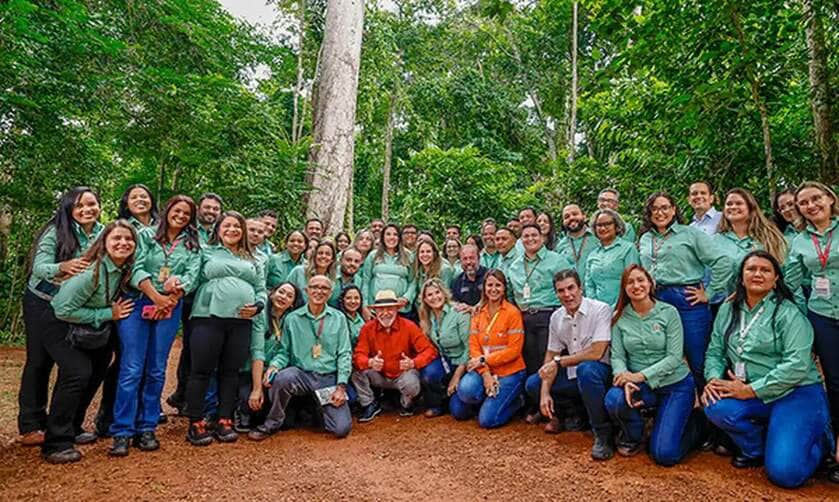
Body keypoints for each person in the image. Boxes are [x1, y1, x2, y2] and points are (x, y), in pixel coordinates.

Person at [702, 251, 832, 487]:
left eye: (765, 270)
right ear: (741, 277)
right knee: (715, 405)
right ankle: (756, 448)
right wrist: (712, 379)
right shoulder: (728, 308)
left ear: (775, 279)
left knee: (785, 474)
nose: (757, 274)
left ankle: (821, 442)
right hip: (752, 392)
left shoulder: (788, 313)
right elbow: (715, 351)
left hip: (795, 392)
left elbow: (797, 365)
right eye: (751, 269)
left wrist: (751, 390)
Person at [107, 196, 202, 457]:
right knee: (132, 368)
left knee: (156, 369)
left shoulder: (193, 244)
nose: (180, 216)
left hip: (171, 306)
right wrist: (157, 297)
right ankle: (122, 431)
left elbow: (193, 275)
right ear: (167, 210)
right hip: (138, 302)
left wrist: (174, 294)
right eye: (177, 211)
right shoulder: (147, 235)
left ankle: (147, 427)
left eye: (186, 213)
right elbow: (135, 268)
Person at [18, 187, 104, 448]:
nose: (86, 210)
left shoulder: (103, 233)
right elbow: (39, 267)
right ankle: (31, 424)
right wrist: (62, 267)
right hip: (42, 301)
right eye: (79, 206)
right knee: (39, 360)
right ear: (69, 209)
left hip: (74, 305)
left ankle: (67, 423)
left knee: (78, 365)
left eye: (91, 204)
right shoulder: (55, 231)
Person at [46, 220, 137, 463]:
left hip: (90, 328)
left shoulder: (122, 270)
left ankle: (74, 427)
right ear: (104, 242)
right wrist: (108, 313)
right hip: (59, 324)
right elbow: (62, 309)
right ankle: (56, 442)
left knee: (98, 368)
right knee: (77, 373)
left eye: (128, 239)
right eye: (116, 238)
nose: (123, 243)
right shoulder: (91, 273)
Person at [604, 265, 704, 466]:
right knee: (614, 399)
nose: (636, 286)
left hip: (675, 385)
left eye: (641, 280)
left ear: (650, 284)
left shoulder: (669, 312)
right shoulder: (619, 318)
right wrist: (624, 377)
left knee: (664, 454)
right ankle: (636, 434)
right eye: (630, 282)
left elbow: (674, 357)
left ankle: (699, 426)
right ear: (624, 289)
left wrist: (638, 376)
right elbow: (618, 357)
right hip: (641, 386)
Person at [185, 211, 266, 446]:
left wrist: (259, 305)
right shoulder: (206, 251)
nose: (232, 230)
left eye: (237, 226)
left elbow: (261, 289)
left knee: (230, 371)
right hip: (208, 316)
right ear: (218, 230)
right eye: (227, 226)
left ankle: (224, 419)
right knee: (201, 370)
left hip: (241, 320)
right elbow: (191, 278)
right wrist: (174, 287)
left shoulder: (253, 259)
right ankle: (196, 421)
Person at [638, 192, 733, 390]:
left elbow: (723, 262)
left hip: (687, 300)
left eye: (665, 207)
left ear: (674, 210)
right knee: (664, 357)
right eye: (655, 209)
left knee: (698, 359)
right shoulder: (646, 238)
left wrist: (709, 293)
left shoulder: (689, 233)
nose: (660, 212)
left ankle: (711, 400)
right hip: (656, 302)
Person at [248, 275, 353, 440]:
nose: (319, 291)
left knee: (341, 429)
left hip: (328, 378)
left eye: (324, 288)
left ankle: (317, 408)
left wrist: (341, 386)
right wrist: (274, 366)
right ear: (307, 291)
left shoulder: (339, 318)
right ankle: (272, 422)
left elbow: (345, 353)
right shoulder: (292, 319)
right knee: (282, 378)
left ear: (330, 293)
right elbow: (284, 352)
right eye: (314, 287)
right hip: (301, 375)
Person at [525, 270, 614, 460]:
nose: (567, 294)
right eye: (561, 291)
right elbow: (551, 354)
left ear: (580, 288)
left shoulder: (600, 309)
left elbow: (597, 352)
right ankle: (572, 414)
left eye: (571, 288)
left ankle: (603, 433)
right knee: (534, 383)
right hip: (573, 375)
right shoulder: (556, 317)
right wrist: (544, 392)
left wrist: (559, 362)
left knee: (586, 370)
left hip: (600, 374)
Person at [784, 181, 839, 478]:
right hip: (822, 316)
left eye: (816, 198)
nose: (810, 205)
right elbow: (791, 280)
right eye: (803, 203)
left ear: (830, 198)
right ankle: (835, 446)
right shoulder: (799, 240)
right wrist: (803, 314)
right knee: (834, 381)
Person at [167, 192, 222, 414]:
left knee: (200, 347)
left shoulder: (221, 232)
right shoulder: (189, 230)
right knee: (189, 346)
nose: (211, 212)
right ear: (199, 209)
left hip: (210, 297)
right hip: (186, 295)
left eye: (215, 209)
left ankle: (190, 396)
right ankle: (182, 394)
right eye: (207, 207)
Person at [449, 270, 526, 428]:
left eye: (498, 285)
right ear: (484, 288)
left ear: (504, 289)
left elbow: (514, 350)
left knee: (487, 420)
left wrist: (484, 360)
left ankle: (517, 401)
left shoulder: (513, 313)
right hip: (483, 369)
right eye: (490, 285)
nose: (493, 289)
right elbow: (474, 346)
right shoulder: (478, 312)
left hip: (509, 371)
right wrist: (485, 374)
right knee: (458, 409)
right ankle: (488, 396)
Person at [352, 290, 438, 420]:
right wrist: (370, 362)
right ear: (375, 311)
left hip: (403, 374)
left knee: (411, 384)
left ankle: (406, 403)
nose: (385, 313)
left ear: (397, 309)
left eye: (390, 309)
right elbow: (359, 355)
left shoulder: (409, 326)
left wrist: (413, 362)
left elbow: (429, 350)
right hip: (379, 375)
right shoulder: (367, 328)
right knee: (356, 371)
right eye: (381, 309)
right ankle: (369, 403)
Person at [507, 224, 574, 380]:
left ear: (542, 238)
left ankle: (553, 393)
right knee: (530, 361)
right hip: (523, 318)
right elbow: (510, 295)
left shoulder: (557, 260)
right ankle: (534, 392)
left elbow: (570, 287)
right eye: (526, 236)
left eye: (534, 235)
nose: (530, 239)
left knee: (548, 362)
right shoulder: (515, 266)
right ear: (520, 240)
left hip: (549, 315)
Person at [235, 282, 304, 433]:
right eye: (281, 292)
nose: (283, 297)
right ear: (272, 294)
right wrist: (257, 389)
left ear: (292, 304)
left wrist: (274, 366)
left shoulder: (290, 320)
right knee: (251, 401)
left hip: (270, 370)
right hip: (251, 369)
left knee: (288, 421)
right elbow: (257, 351)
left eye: (289, 296)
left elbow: (285, 351)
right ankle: (240, 409)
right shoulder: (260, 315)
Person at [714, 188, 787, 295]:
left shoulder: (769, 237)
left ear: (750, 207)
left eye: (739, 203)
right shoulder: (716, 240)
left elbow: (783, 269)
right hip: (725, 300)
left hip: (765, 298)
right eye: (729, 204)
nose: (733, 207)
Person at [417, 279, 471, 417]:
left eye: (437, 292)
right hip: (444, 361)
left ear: (444, 293)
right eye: (429, 295)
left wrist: (457, 376)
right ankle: (439, 403)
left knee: (459, 412)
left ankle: (462, 397)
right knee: (428, 373)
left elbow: (469, 347)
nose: (434, 297)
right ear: (425, 299)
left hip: (463, 363)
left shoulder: (459, 312)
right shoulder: (426, 316)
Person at [584, 209, 640, 307]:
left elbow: (632, 280)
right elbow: (589, 285)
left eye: (607, 224)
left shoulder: (628, 249)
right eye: (599, 225)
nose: (603, 228)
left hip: (624, 307)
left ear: (617, 226)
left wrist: (617, 307)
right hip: (598, 309)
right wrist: (595, 306)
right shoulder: (592, 255)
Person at [361, 224, 417, 319]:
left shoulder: (409, 256)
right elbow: (365, 282)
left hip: (400, 308)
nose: (392, 237)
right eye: (388, 234)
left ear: (399, 238)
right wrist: (365, 305)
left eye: (395, 234)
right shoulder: (373, 255)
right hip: (377, 308)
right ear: (383, 237)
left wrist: (406, 298)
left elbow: (413, 281)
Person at [555, 204, 597, 284]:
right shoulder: (560, 246)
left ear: (584, 216)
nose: (571, 218)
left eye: (575, 214)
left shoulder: (597, 238)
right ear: (563, 222)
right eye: (566, 217)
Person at [288, 240, 339, 304]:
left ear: (332, 259)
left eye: (328, 254)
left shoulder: (334, 280)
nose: (323, 256)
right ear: (314, 256)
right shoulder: (298, 272)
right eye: (320, 253)